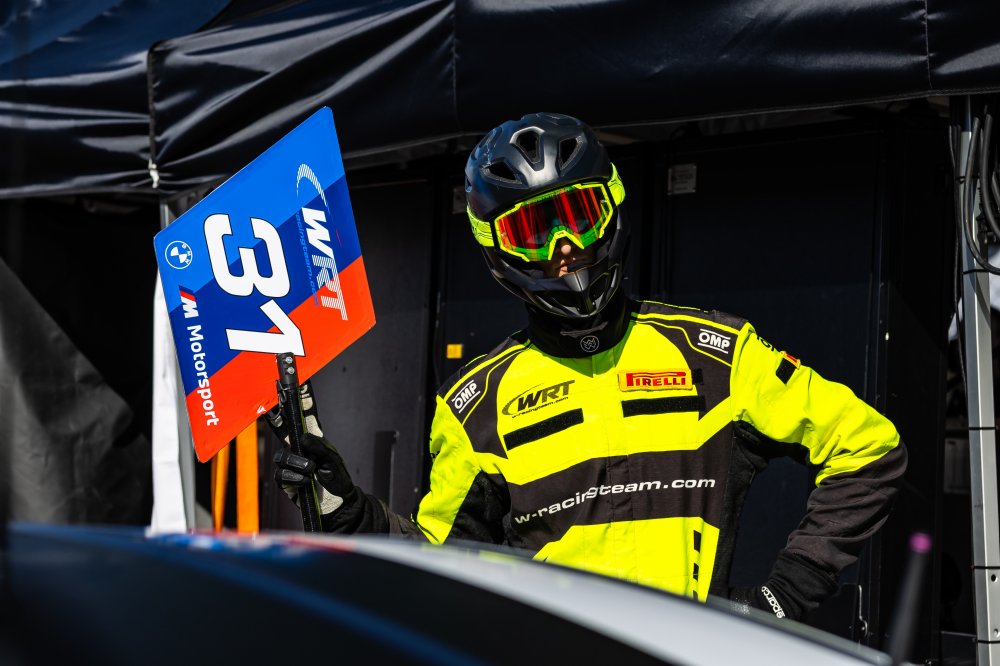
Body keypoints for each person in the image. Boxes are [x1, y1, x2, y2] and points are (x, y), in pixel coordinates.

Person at [270, 112, 907, 622]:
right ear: (495, 250)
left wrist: (780, 600)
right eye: (533, 231)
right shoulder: (476, 405)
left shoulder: (714, 354)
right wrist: (345, 510)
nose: (565, 249)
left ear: (613, 209)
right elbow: (440, 567)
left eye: (577, 216)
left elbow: (869, 448)